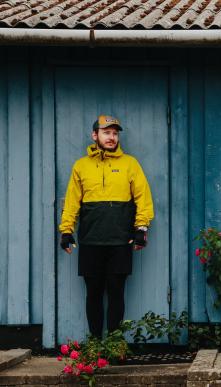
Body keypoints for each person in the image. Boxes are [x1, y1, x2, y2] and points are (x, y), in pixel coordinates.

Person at [58, 115, 154, 338]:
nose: (111, 137)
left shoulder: (130, 164)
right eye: (106, 132)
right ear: (95, 135)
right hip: (91, 240)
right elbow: (72, 201)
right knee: (93, 293)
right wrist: (66, 230)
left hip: (120, 241)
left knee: (116, 292)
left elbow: (143, 197)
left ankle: (114, 344)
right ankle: (95, 344)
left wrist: (141, 229)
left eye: (114, 133)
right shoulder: (81, 166)